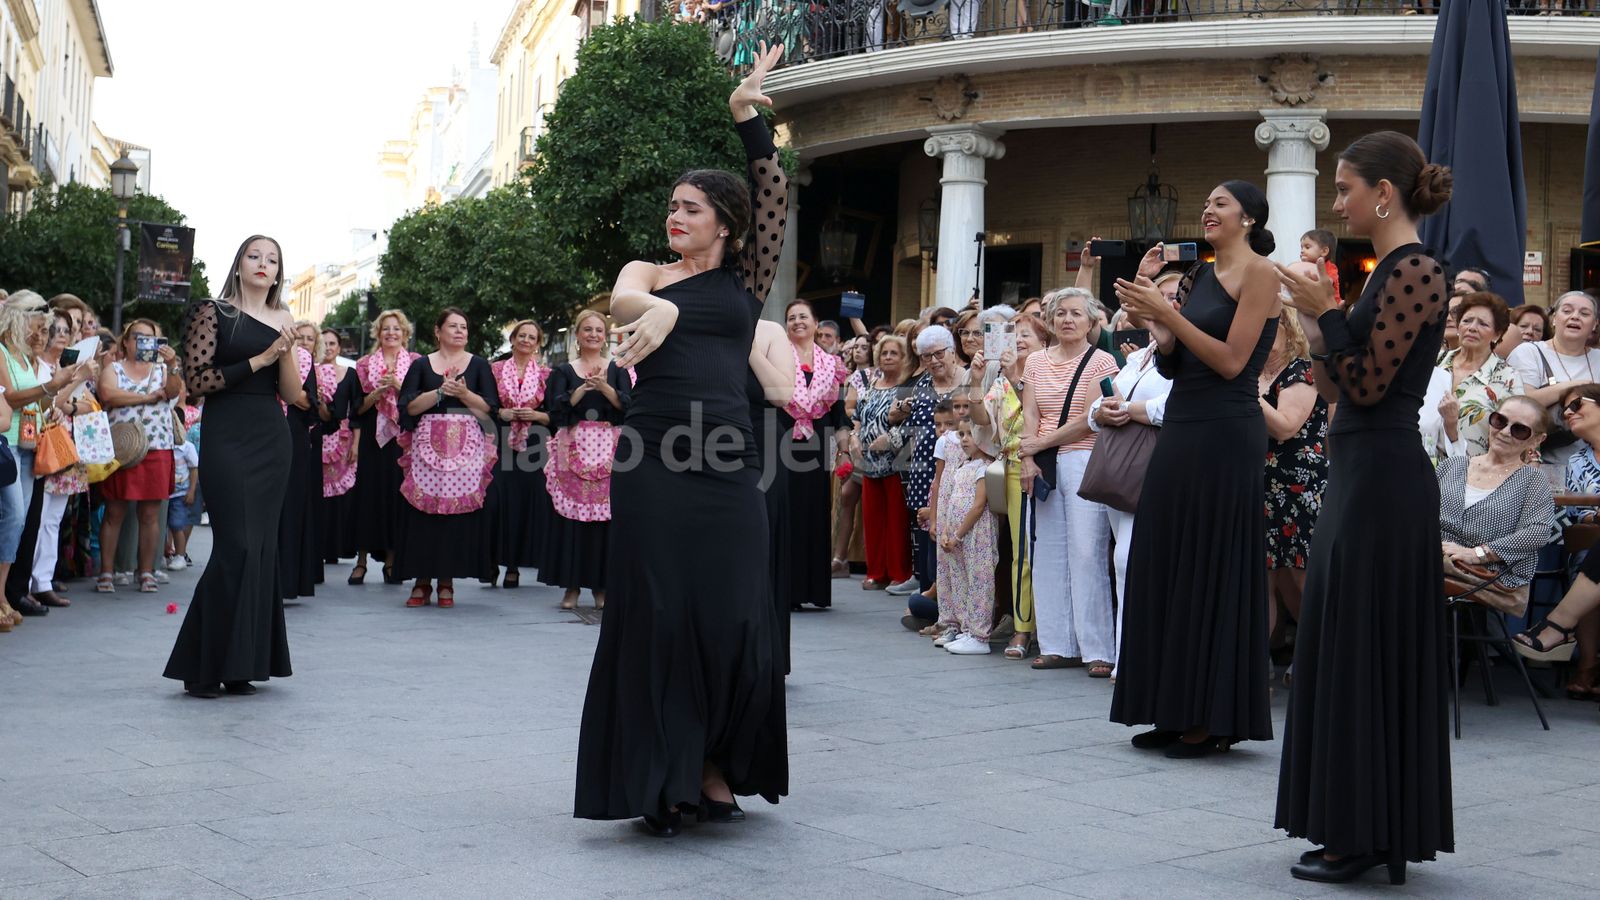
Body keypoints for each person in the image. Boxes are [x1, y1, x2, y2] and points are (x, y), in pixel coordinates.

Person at [576, 42, 788, 836]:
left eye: (692, 208)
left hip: (728, 461)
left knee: (735, 613)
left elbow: (773, 194)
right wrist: (659, 308)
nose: (676, 216)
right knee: (661, 615)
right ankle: (668, 774)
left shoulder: (746, 280)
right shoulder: (648, 272)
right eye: (673, 205)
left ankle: (714, 760)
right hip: (653, 457)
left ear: (725, 224)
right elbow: (621, 301)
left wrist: (745, 116)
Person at [1274, 131, 1455, 884]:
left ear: (1383, 193)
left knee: (1362, 649)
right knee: (1348, 646)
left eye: (1345, 187)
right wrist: (1324, 318)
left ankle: (1365, 831)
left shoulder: (1416, 269)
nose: (1337, 201)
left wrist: (1327, 311)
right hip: (1361, 472)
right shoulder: (1388, 273)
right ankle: (1361, 825)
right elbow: (1336, 382)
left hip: (1383, 478)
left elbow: (1368, 384)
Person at [1110, 181, 1280, 755]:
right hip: (1183, 424)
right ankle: (1171, 706)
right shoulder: (1200, 275)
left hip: (1227, 430)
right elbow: (1177, 363)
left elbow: (1231, 362)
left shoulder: (1261, 274)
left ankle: (1215, 719)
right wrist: (1157, 324)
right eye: (1205, 203)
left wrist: (1169, 314)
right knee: (1167, 560)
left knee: (1213, 564)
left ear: (1249, 218)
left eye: (1220, 203)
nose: (1208, 210)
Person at [165, 234, 302, 699]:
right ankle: (200, 667)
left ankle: (242, 664)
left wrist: (287, 352)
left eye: (272, 259)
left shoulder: (284, 318)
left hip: (271, 438)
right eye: (254, 256)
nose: (263, 264)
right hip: (226, 435)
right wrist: (262, 357)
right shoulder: (212, 311)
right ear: (239, 263)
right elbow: (198, 381)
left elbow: (290, 394)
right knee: (236, 547)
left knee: (260, 549)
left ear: (279, 272)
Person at [1020, 288, 1120, 676]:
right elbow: (1030, 414)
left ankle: (1097, 649)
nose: (1067, 319)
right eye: (1060, 313)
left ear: (1092, 320)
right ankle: (1057, 645)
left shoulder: (1102, 360)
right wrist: (1028, 457)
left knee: (1086, 551)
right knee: (1047, 552)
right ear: (1049, 320)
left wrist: (1039, 443)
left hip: (1084, 458)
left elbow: (1090, 419)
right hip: (1044, 462)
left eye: (1076, 313)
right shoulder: (1034, 362)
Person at [1084, 283, 1175, 674]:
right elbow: (1099, 406)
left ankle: (1140, 661)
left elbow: (1177, 406)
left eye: (1175, 295)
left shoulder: (1190, 351)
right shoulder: (1140, 355)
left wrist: (1130, 409)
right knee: (1124, 561)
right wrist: (1102, 411)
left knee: (1130, 559)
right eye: (1162, 294)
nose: (1167, 301)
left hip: (1159, 462)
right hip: (1123, 464)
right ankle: (1127, 658)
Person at [393, 309, 500, 609]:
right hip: (427, 449)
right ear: (437, 331)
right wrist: (440, 392)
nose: (459, 331)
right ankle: (421, 580)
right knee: (422, 512)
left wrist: (463, 394)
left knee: (455, 515)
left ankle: (446, 581)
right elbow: (409, 407)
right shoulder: (421, 365)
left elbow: (489, 410)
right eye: (452, 326)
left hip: (466, 450)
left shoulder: (479, 365)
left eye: (463, 326)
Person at [0, 293, 85, 620]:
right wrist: (51, 387)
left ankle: (5, 595)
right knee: (13, 518)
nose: (40, 333)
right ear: (19, 318)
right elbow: (11, 398)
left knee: (19, 522)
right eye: (37, 324)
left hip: (28, 444)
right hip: (7, 444)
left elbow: (35, 401)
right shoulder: (3, 352)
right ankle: (4, 595)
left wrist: (56, 398)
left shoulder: (24, 356)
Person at [970, 312, 1048, 658]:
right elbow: (981, 419)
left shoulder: (1049, 375)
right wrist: (976, 382)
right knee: (1021, 551)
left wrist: (1017, 376)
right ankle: (1023, 627)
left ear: (1044, 343)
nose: (1018, 342)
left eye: (1026, 336)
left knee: (1053, 553)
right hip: (1015, 468)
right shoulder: (1001, 382)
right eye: (1013, 336)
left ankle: (1053, 629)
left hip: (1050, 463)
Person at [1435, 396, 1557, 616]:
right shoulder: (1452, 465)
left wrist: (1477, 553)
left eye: (1519, 430)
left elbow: (1538, 532)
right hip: (1432, 562)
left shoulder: (1532, 480)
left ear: (1537, 440)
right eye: (1500, 421)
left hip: (1485, 576)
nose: (1505, 432)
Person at [541, 309, 630, 609]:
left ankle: (601, 587)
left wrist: (604, 387)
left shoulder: (617, 369)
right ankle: (571, 587)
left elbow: (628, 408)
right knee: (571, 520)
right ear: (577, 335)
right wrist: (582, 389)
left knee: (605, 519)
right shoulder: (564, 371)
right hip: (573, 447)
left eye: (599, 330)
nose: (593, 334)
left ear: (605, 336)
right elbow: (555, 412)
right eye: (588, 329)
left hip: (609, 448)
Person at [1515, 383, 1600, 694]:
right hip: (1590, 542)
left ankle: (1560, 629)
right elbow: (1575, 515)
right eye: (1564, 410)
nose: (1568, 413)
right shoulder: (1576, 462)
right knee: (1587, 559)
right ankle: (1587, 663)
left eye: (1576, 404)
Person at [97, 319, 184, 594]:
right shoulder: (114, 368)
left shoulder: (163, 369)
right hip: (122, 447)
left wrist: (172, 365)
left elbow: (173, 392)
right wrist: (147, 398)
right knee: (114, 511)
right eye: (138, 336)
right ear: (126, 341)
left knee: (150, 514)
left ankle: (146, 572)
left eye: (151, 338)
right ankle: (107, 572)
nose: (144, 342)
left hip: (157, 446)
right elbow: (108, 394)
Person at [1259, 310, 1329, 647]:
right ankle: (1255, 669)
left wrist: (1247, 393)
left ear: (1289, 329)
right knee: (1263, 582)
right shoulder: (1253, 372)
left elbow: (1286, 426)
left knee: (1304, 580)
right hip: (1259, 487)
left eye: (1269, 325)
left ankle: (1327, 659)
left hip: (1298, 489)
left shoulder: (1301, 371)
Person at [886, 325, 970, 598]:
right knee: (926, 538)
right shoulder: (921, 384)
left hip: (959, 471)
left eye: (939, 354)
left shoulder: (969, 380)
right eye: (926, 356)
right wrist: (901, 409)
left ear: (952, 351)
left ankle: (951, 602)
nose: (933, 361)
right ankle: (928, 600)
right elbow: (892, 417)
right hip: (923, 471)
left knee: (953, 536)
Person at [26, 309, 98, 609]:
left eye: (66, 329)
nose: (61, 334)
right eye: (54, 329)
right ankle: (25, 583)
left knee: (53, 518)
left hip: (64, 444)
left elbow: (85, 405)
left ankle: (42, 581)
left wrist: (69, 401)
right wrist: (74, 383)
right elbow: (49, 400)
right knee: (36, 517)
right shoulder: (38, 365)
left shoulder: (63, 365)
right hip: (43, 444)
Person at [781, 299, 848, 609]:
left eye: (803, 316)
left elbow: (839, 414)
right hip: (783, 443)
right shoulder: (778, 358)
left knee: (815, 513)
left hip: (818, 446)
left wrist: (844, 451)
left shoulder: (832, 365)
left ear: (816, 323)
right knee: (788, 514)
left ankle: (814, 590)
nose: (797, 321)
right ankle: (788, 591)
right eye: (791, 317)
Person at [349, 310, 418, 585]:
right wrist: (376, 393)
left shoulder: (416, 363)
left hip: (402, 439)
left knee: (395, 497)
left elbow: (417, 403)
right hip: (371, 437)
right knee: (367, 497)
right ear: (378, 333)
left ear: (405, 333)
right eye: (386, 328)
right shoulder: (364, 365)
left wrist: (398, 386)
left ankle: (391, 561)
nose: (391, 333)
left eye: (396, 328)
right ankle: (361, 561)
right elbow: (356, 409)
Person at [1506, 290, 1600, 482]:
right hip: (1539, 466)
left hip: (1592, 470)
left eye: (1584, 313)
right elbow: (1521, 402)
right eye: (1567, 310)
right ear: (1554, 319)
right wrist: (1576, 386)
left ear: (1594, 324)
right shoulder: (1529, 352)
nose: (1575, 316)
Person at [747, 317, 797, 668]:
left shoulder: (770, 331)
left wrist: (749, 347)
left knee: (761, 542)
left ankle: (764, 654)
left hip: (761, 441)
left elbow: (781, 395)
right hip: (705, 437)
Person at [490, 320, 552, 589]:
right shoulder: (494, 370)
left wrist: (536, 415)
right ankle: (492, 559)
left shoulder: (547, 375)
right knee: (497, 501)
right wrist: (500, 412)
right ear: (513, 339)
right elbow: (485, 404)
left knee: (525, 503)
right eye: (522, 335)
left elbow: (554, 414)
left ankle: (513, 566)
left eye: (532, 337)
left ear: (538, 344)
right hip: (499, 439)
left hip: (533, 443)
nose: (526, 340)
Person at [854, 335, 915, 594]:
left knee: (896, 520)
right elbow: (857, 416)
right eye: (884, 353)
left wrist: (890, 440)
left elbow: (910, 422)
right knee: (873, 519)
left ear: (903, 358)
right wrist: (854, 437)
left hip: (896, 461)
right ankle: (876, 572)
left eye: (894, 353)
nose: (888, 357)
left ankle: (899, 573)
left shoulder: (906, 387)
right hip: (869, 461)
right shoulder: (871, 386)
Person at [933, 419, 997, 654]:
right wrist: (946, 532)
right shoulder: (962, 466)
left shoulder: (985, 467)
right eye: (961, 434)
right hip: (958, 536)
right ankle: (966, 629)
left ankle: (980, 635)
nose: (965, 439)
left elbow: (978, 506)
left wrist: (958, 535)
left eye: (971, 434)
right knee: (961, 581)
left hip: (976, 533)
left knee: (979, 580)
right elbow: (952, 501)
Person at [1437, 291, 1521, 459]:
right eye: (1467, 321)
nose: (1472, 328)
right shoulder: (1435, 362)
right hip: (1421, 464)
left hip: (1474, 468)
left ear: (1497, 334)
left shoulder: (1507, 377)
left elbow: (1518, 429)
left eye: (1483, 324)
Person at [278, 326, 319, 601]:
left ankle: (287, 581)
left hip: (294, 435)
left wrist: (285, 389)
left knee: (291, 507)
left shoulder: (303, 359)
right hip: (261, 432)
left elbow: (308, 401)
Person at [315, 329, 361, 568]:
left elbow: (357, 411)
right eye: (324, 343)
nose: (329, 347)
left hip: (343, 440)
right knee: (317, 493)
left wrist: (356, 443)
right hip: (316, 436)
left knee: (342, 496)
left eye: (332, 343)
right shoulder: (310, 372)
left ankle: (336, 547)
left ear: (339, 348)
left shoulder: (350, 374)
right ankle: (317, 546)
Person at [1300, 228, 1342, 306]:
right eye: (1301, 247)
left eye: (1307, 247)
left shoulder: (1331, 267)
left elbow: (1328, 282)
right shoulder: (1305, 266)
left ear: (1324, 251)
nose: (1302, 251)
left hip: (1331, 305)